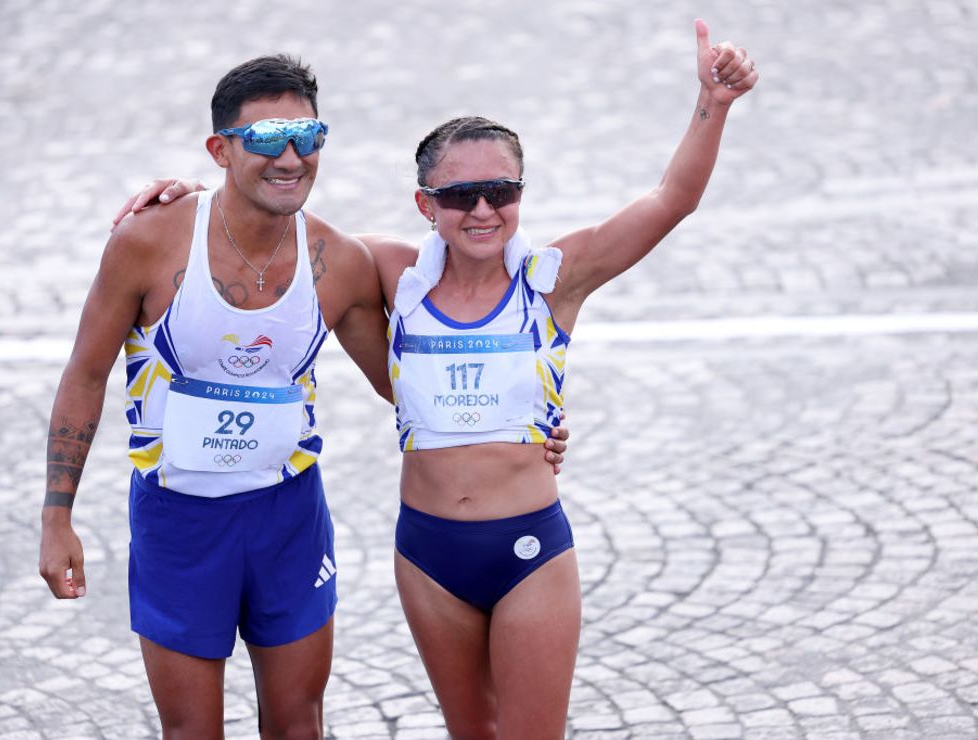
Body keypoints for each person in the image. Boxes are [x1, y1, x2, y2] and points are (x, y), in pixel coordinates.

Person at [119, 19, 755, 737]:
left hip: (529, 549)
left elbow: (671, 199)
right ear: (426, 204)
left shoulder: (554, 281)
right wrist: (191, 192)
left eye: (500, 190)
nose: (482, 209)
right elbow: (273, 209)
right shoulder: (388, 269)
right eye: (459, 196)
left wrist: (713, 103)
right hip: (427, 554)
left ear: (520, 194)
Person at [41, 54, 567, 740]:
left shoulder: (339, 263)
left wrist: (520, 427)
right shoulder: (149, 241)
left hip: (287, 517)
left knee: (298, 727)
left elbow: (412, 386)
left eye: (307, 139)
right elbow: (85, 373)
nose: (290, 157)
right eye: (264, 140)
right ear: (221, 149)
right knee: (190, 732)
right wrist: (57, 517)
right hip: (178, 519)